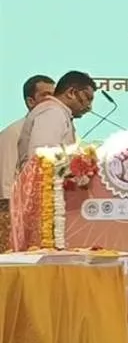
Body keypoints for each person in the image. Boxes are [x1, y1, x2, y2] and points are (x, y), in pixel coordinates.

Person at [10, 71, 95, 250]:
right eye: (87, 98)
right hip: (43, 198)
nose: (89, 106)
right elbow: (43, 158)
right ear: (71, 92)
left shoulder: (58, 112)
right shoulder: (52, 112)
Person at [0, 75, 54, 199]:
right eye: (46, 95)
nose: (53, 101)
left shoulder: (55, 131)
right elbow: (5, 183)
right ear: (31, 102)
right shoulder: (13, 133)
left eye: (55, 96)